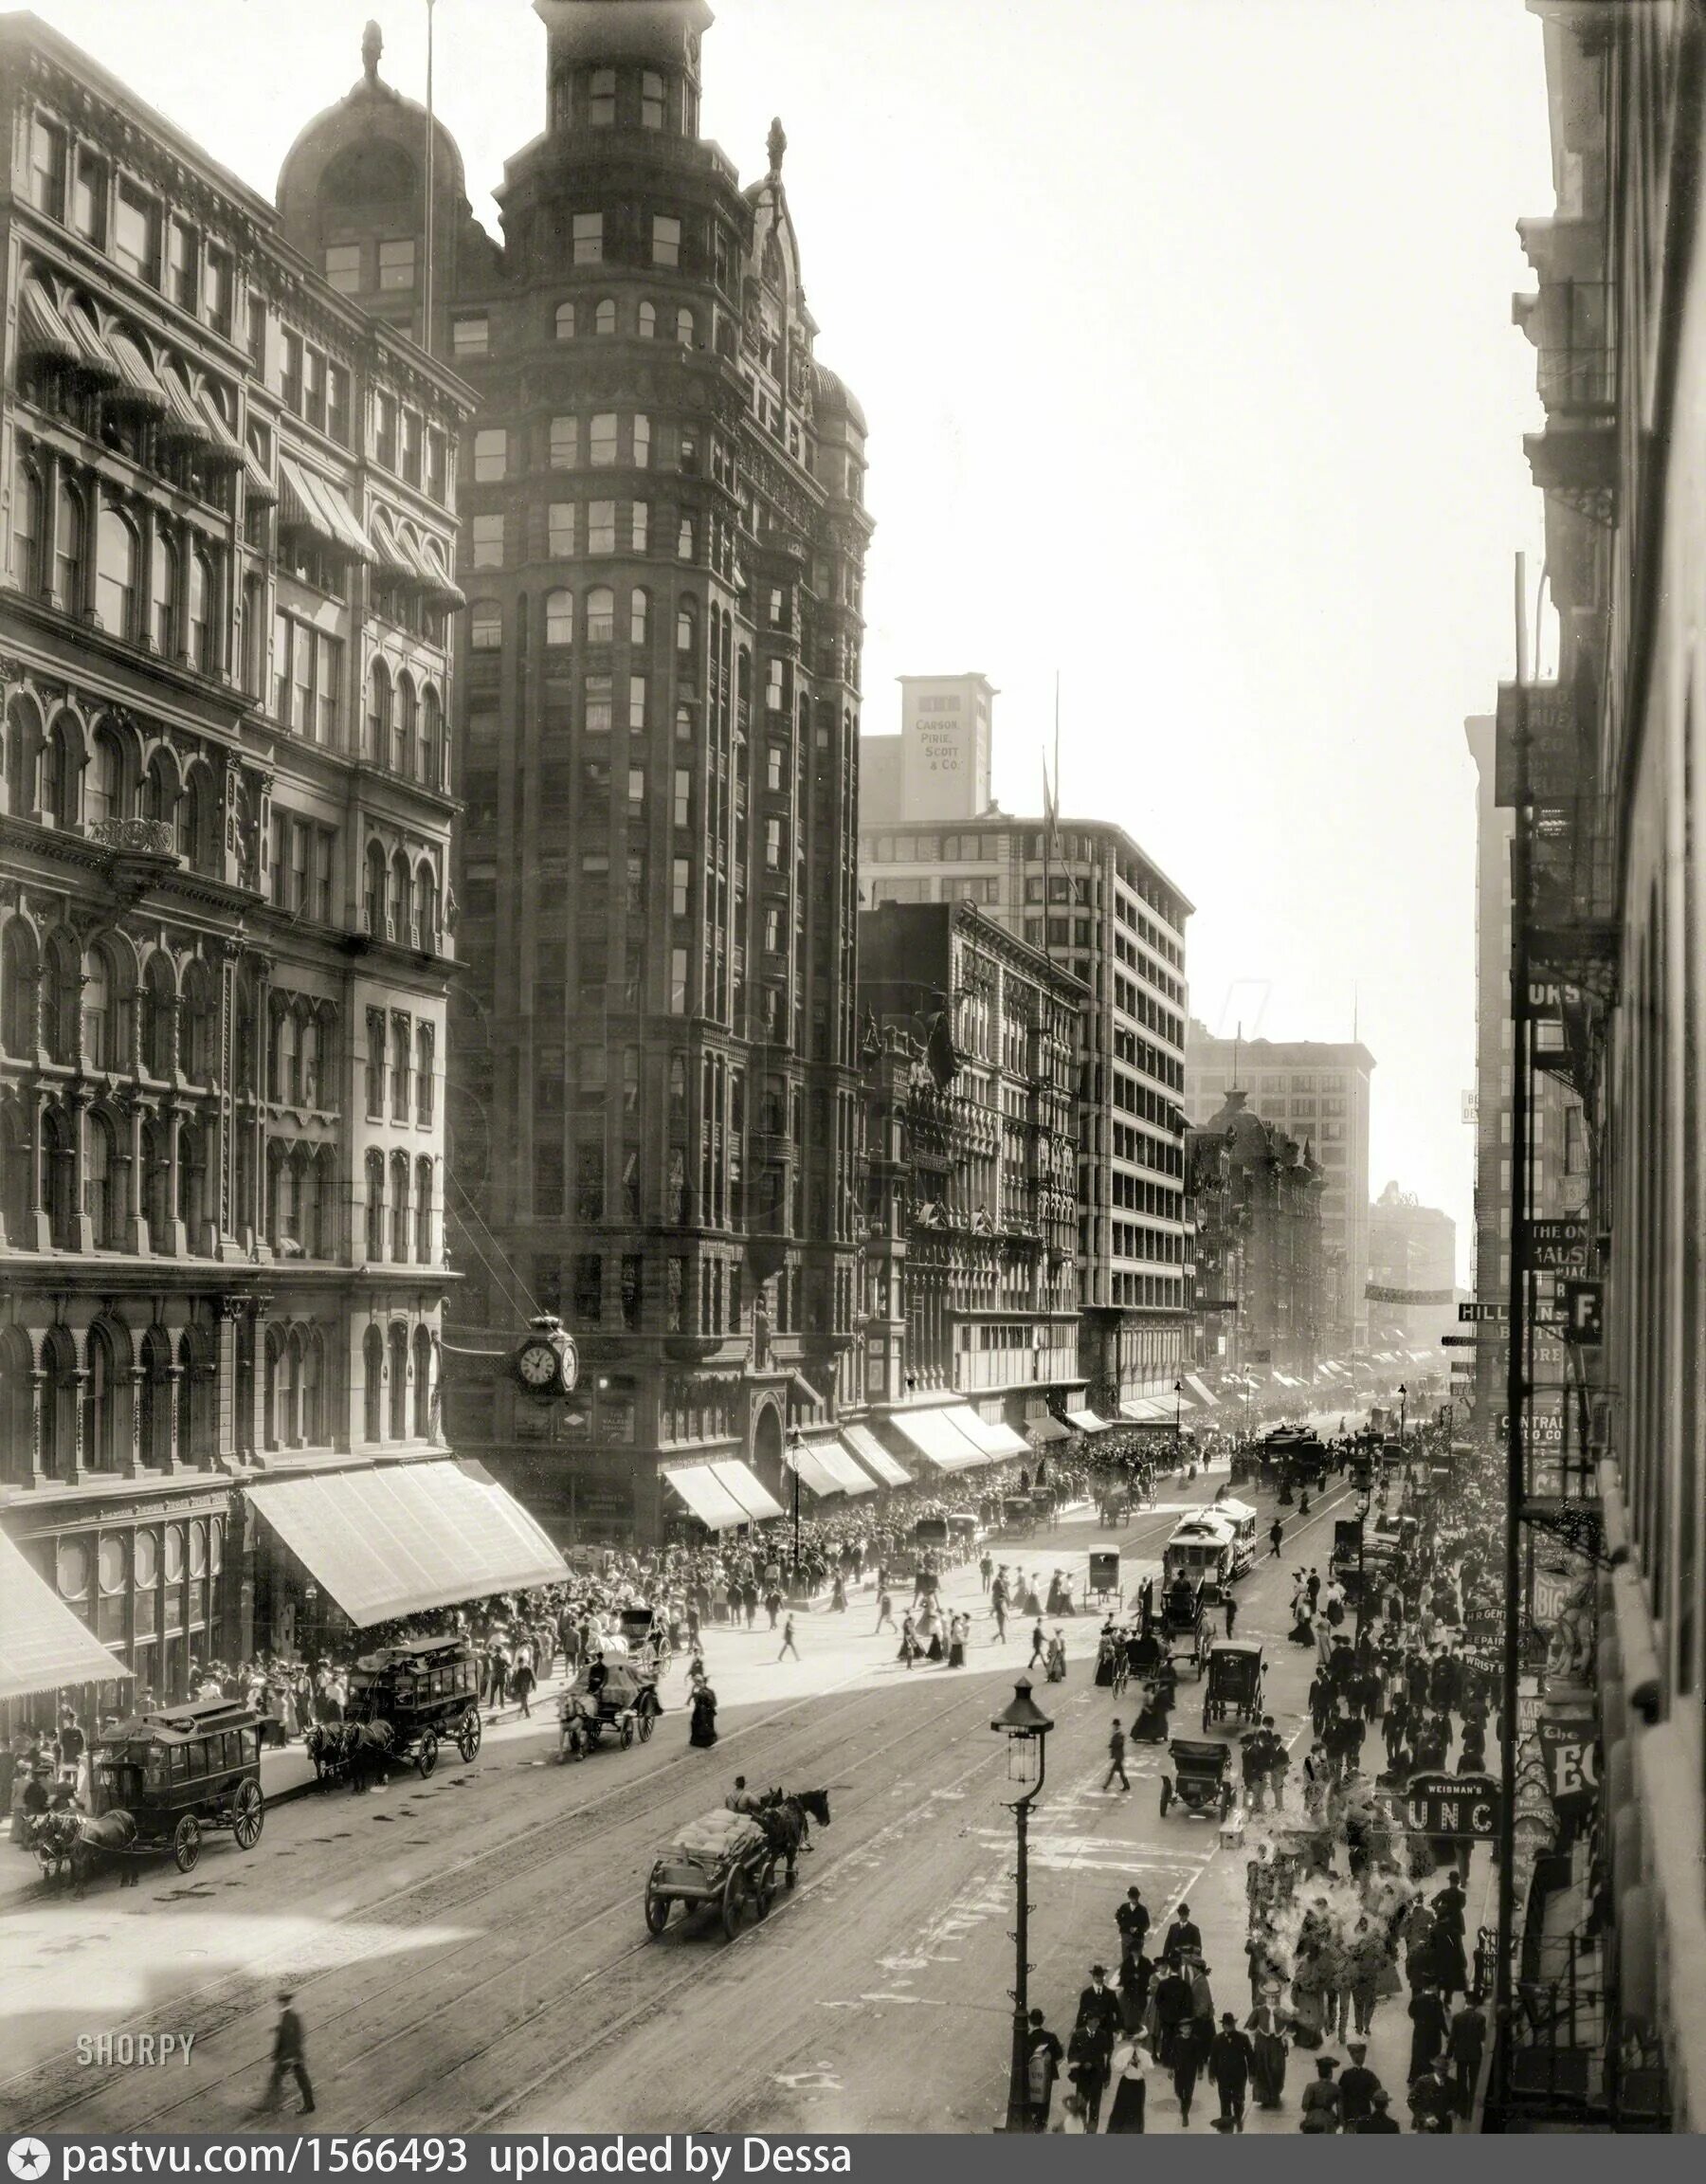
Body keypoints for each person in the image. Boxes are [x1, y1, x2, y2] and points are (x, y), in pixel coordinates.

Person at [259, 1990, 315, 2117]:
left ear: (284, 2002)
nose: (279, 2003)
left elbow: (293, 2037)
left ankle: (272, 2105)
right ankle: (308, 2105)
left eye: (280, 2001)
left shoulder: (288, 2016)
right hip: (292, 2055)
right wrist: (276, 2029)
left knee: (277, 2078)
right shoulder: (289, 2015)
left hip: (289, 2056)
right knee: (301, 2080)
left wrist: (290, 2057)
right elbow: (290, 2033)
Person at [1207, 2012, 1254, 2133]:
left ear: (1234, 2024)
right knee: (1224, 2100)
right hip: (1222, 2076)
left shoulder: (1243, 2038)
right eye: (1226, 2025)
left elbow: (1250, 2057)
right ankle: (1226, 2129)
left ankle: (1238, 2119)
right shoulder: (1217, 2040)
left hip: (1239, 2075)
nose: (1228, 2027)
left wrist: (1252, 2074)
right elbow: (1213, 2059)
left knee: (1238, 2100)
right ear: (1222, 2026)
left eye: (1230, 2024)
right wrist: (1211, 2075)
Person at [1244, 1989, 1288, 2110]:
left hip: (1276, 2044)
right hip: (1262, 2045)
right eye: (1269, 1997)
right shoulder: (1259, 2011)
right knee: (1263, 2069)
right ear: (1265, 1998)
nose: (1272, 1999)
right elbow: (1250, 2028)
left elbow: (1286, 2029)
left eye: (1274, 1997)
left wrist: (1285, 2040)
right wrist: (1253, 2042)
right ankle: (1264, 2098)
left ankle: (1274, 2096)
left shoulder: (1281, 2012)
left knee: (1276, 2068)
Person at [1446, 1997, 1486, 2119]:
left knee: (1461, 2081)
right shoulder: (1481, 2018)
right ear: (1475, 2006)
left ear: (1466, 2004)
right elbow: (1482, 2037)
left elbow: (1453, 2037)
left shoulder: (1457, 2017)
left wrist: (1449, 2054)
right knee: (1474, 2080)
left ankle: (1462, 2109)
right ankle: (1471, 2110)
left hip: (1461, 2053)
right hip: (1475, 2054)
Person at [1025, 2009, 1064, 2132]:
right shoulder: (1050, 2037)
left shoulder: (1027, 2038)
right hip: (1046, 2075)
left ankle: (1033, 2121)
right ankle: (1042, 2123)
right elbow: (1059, 2054)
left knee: (1031, 2097)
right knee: (1044, 2099)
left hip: (1030, 2075)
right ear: (1042, 2021)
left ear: (1030, 2022)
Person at [1104, 2041, 1147, 2133]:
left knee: (1136, 2110)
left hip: (1138, 2084)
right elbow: (1117, 2068)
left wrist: (1141, 2063)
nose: (1137, 2044)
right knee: (1121, 2107)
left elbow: (1148, 2068)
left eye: (1139, 2041)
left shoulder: (1144, 2054)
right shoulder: (1124, 2053)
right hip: (1126, 2083)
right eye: (1135, 2041)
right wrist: (1127, 2063)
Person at [1338, 2041, 1382, 2129]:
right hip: (1364, 2116)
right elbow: (1378, 2096)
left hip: (1349, 2117)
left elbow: (1340, 2098)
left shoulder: (1346, 2074)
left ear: (1351, 2057)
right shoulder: (1369, 2075)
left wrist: (1341, 2118)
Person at [1298, 2052, 1341, 2134]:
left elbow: (1304, 2106)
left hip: (1312, 2120)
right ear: (1330, 2074)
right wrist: (1338, 2122)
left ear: (1319, 2073)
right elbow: (1340, 2110)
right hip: (1329, 2120)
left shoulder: (1311, 2087)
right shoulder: (1337, 2089)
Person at [688, 1681, 718, 1748]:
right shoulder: (706, 1691)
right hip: (704, 1711)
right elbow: (713, 1703)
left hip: (703, 1711)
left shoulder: (704, 1692)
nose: (698, 1684)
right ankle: (706, 1740)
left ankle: (703, 1741)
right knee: (703, 1725)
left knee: (702, 1725)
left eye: (699, 1683)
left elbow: (696, 1701)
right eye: (697, 1683)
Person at [1102, 1719, 1130, 1793]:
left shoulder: (1119, 1734)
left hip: (1119, 1756)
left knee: (1112, 1771)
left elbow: (1119, 1744)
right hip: (1118, 1756)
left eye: (1114, 1725)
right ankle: (1126, 1785)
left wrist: (1111, 1745)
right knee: (1121, 1772)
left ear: (1116, 1726)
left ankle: (1106, 1785)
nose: (1113, 1727)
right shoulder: (1117, 1733)